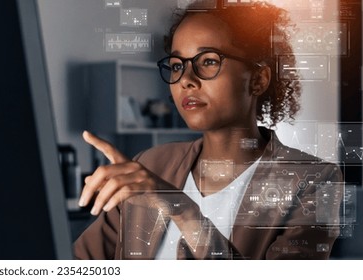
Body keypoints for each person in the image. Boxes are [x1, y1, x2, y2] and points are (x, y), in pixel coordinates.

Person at [74, 1, 344, 260]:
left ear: (258, 80)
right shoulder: (150, 165)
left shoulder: (314, 181)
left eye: (209, 61)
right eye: (178, 65)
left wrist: (181, 208)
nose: (187, 81)